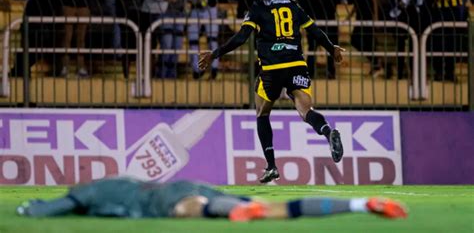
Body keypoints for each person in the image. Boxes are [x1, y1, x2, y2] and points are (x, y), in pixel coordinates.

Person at [199, 0, 345, 183]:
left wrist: (215, 54)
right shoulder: (293, 5)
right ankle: (327, 131)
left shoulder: (258, 7)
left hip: (272, 68)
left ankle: (271, 166)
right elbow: (314, 30)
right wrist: (332, 48)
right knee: (305, 109)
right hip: (296, 64)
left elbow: (241, 38)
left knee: (262, 112)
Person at [16, 177, 408, 221]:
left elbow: (66, 202)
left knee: (192, 209)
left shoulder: (97, 190)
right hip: (196, 185)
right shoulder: (116, 184)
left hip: (175, 196)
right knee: (279, 210)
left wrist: (37, 209)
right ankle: (360, 203)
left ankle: (238, 209)